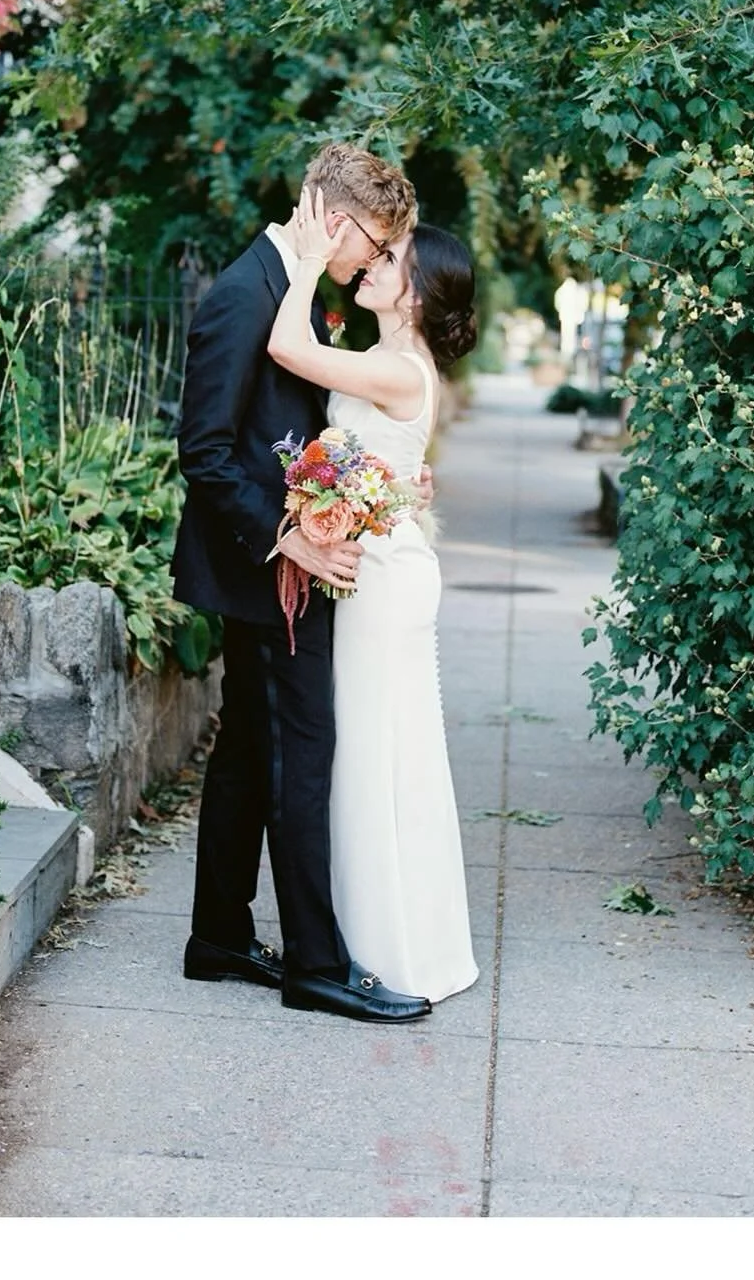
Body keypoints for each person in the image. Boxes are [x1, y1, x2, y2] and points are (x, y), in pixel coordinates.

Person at [171, 144, 432, 1022]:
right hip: (266, 571)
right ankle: (316, 965)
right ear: (339, 221)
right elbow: (205, 452)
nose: (370, 263)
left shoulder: (293, 286)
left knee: (251, 748)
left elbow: (300, 430)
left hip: (284, 561)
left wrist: (380, 485)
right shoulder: (245, 293)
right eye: (375, 244)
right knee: (301, 752)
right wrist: (288, 539)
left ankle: (218, 933)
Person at [266, 185, 480, 1004]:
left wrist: (309, 260)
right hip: (387, 564)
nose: (374, 264)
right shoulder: (397, 360)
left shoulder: (395, 366)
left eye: (390, 261)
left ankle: (386, 948)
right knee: (384, 754)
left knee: (374, 756)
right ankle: (389, 939)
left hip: (383, 582)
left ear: (415, 296)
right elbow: (389, 463)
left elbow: (286, 346)